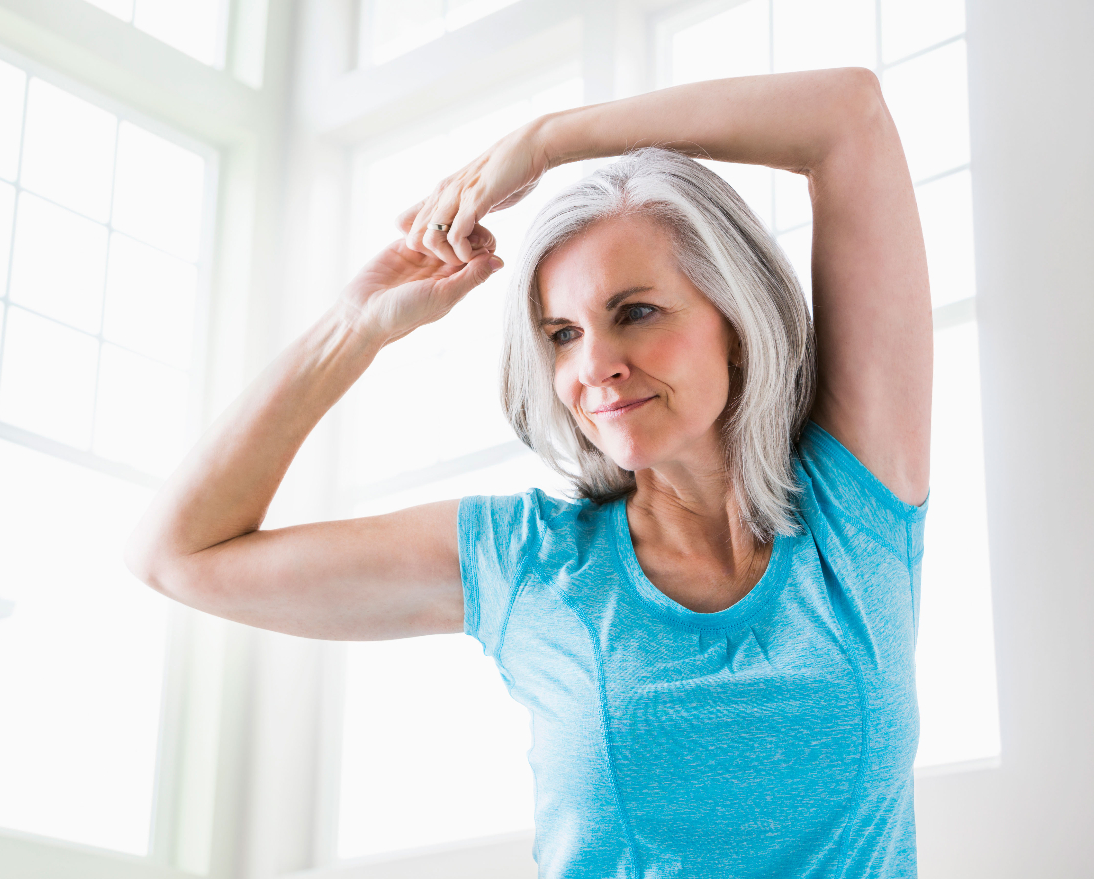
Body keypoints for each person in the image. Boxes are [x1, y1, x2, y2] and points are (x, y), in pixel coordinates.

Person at [125, 66, 932, 878]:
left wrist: (549, 141)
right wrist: (353, 328)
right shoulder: (529, 561)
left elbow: (848, 115)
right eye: (561, 334)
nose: (595, 366)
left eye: (635, 312)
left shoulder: (856, 507)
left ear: (734, 318)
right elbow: (179, 555)